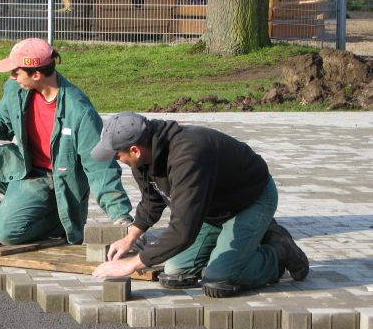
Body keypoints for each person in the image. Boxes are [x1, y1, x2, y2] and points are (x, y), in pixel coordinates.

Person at [90, 112, 309, 298]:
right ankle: (236, 245)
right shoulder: (145, 154)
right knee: (175, 273)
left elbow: (183, 231)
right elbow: (153, 198)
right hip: (211, 207)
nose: (117, 159)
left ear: (135, 149)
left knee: (219, 279)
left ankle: (279, 252)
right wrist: (131, 237)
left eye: (117, 155)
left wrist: (132, 264)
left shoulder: (187, 158)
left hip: (250, 199)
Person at [0, 38, 132, 251]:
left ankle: (57, 223)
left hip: (54, 182)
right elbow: (3, 123)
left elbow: (100, 167)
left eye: (16, 72)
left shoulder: (78, 111)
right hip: (22, 165)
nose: (12, 77)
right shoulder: (17, 88)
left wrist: (121, 217)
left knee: (7, 233)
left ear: (36, 74)